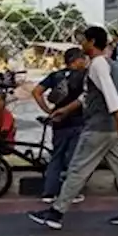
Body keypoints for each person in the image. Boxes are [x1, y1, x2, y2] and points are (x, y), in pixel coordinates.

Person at [28, 26, 118, 230]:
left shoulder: (98, 64)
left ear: (92, 42)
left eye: (83, 40)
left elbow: (110, 94)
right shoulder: (107, 63)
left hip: (99, 128)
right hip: (111, 129)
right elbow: (89, 96)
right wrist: (65, 110)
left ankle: (56, 213)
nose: (81, 44)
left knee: (77, 169)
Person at [32, 47, 88, 202]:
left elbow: (36, 92)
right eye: (82, 59)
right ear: (76, 60)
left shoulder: (55, 76)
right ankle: (72, 193)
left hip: (58, 122)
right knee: (74, 158)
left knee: (56, 156)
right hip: (77, 121)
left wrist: (48, 111)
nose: (84, 62)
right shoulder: (84, 75)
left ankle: (49, 192)